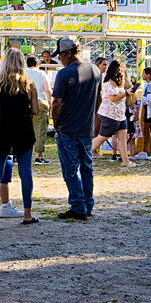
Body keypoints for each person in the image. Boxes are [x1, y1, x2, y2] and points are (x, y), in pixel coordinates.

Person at [0, 47, 39, 223]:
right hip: (23, 129)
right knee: (25, 172)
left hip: (1, 129)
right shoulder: (29, 84)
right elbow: (36, 110)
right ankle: (27, 214)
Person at [51, 36, 100, 219]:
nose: (60, 59)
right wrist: (92, 117)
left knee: (71, 169)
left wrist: (56, 124)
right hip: (86, 128)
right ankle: (88, 204)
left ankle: (78, 206)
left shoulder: (64, 74)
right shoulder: (95, 70)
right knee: (86, 167)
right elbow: (99, 98)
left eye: (61, 55)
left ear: (68, 53)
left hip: (67, 128)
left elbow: (56, 102)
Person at [93, 59, 135, 167]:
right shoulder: (108, 83)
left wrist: (129, 91)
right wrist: (126, 93)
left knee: (123, 138)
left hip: (120, 116)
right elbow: (112, 98)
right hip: (109, 115)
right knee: (102, 137)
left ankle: (125, 161)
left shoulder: (119, 84)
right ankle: (82, 153)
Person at [26, 53, 52, 165]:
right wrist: (50, 101)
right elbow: (47, 89)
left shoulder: (23, 73)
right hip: (40, 101)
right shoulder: (41, 74)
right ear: (37, 64)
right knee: (40, 129)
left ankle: (20, 155)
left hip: (25, 103)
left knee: (24, 130)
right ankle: (38, 156)